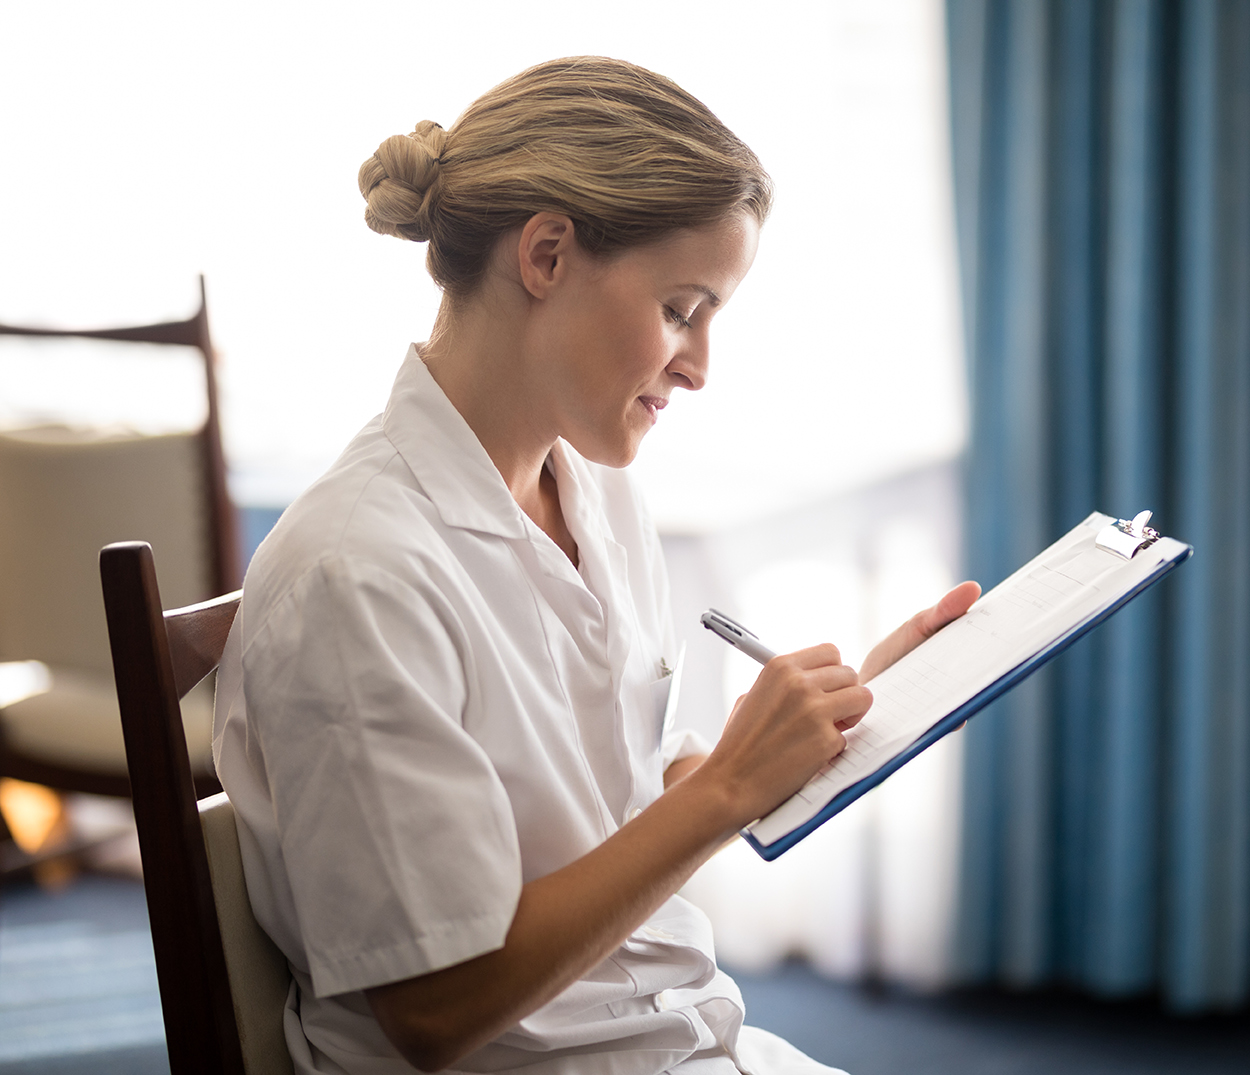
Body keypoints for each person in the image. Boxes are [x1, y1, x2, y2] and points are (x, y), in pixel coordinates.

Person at [212, 56, 979, 1075]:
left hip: (667, 1036)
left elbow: (611, 806)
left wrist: (826, 727)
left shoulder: (598, 494)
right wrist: (728, 788)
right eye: (679, 308)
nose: (699, 366)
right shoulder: (357, 572)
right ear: (545, 255)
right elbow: (436, 1011)